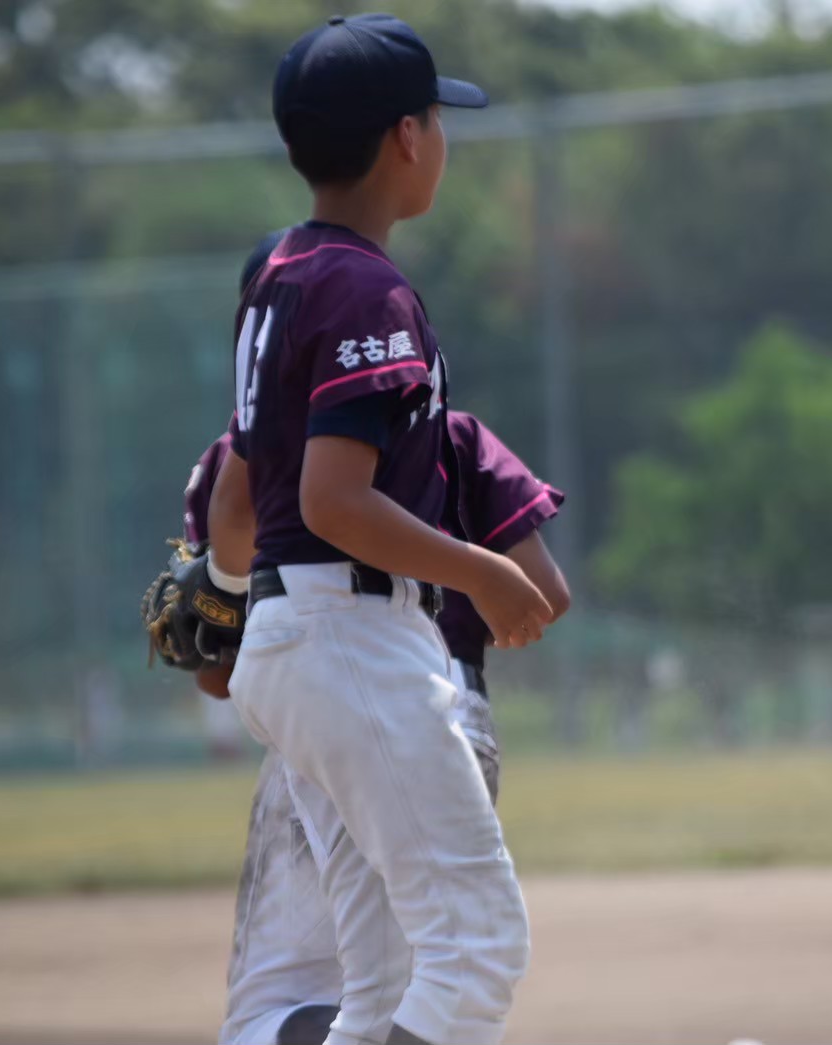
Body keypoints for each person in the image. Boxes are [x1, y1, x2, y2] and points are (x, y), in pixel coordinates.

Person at [195, 16, 556, 1045]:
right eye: (436, 119)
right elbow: (333, 502)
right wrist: (480, 569)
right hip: (351, 639)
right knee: (477, 947)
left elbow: (236, 500)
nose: (442, 139)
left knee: (383, 983)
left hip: (297, 641)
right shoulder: (367, 288)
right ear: (405, 137)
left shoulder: (282, 274)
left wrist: (227, 608)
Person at [175, 404, 566, 1042]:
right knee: (430, 978)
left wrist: (212, 629)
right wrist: (459, 606)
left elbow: (216, 680)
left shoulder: (243, 452)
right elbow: (545, 593)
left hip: (332, 704)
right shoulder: (454, 435)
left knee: (284, 1005)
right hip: (456, 719)